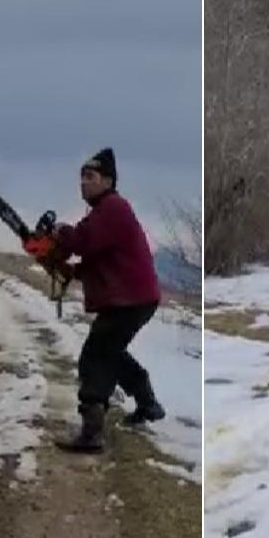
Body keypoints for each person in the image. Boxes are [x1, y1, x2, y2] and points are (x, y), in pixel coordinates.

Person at [51, 147, 164, 452]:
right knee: (111, 351)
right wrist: (68, 269)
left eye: (91, 177)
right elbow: (94, 257)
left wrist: (58, 232)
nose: (83, 183)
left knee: (95, 356)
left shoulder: (112, 208)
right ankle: (147, 403)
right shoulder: (104, 212)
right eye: (82, 177)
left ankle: (91, 433)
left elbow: (82, 241)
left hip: (129, 299)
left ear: (108, 181)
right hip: (135, 298)